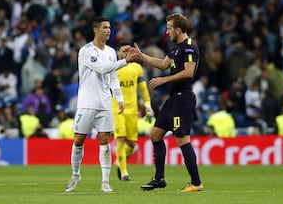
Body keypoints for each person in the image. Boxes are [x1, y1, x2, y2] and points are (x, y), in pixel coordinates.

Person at [65, 17, 140, 193]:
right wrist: (125, 61)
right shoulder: (85, 51)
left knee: (104, 140)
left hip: (105, 103)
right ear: (96, 30)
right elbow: (102, 69)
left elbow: (112, 76)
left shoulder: (111, 52)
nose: (108, 30)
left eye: (110, 27)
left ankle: (105, 181)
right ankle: (76, 174)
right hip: (87, 103)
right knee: (78, 140)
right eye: (105, 27)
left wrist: (119, 98)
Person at [135, 13, 203, 192]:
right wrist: (142, 57)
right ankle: (159, 178)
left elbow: (189, 72)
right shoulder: (175, 48)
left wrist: (164, 80)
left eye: (170, 29)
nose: (167, 32)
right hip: (173, 99)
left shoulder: (189, 47)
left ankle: (196, 183)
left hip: (183, 98)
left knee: (182, 139)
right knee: (156, 135)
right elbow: (163, 64)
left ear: (179, 30)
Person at [112, 41, 153, 181]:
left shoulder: (137, 68)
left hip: (132, 109)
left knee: (132, 144)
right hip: (116, 108)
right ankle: (124, 173)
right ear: (118, 53)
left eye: (129, 51)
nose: (126, 53)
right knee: (121, 139)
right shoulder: (113, 68)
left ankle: (119, 162)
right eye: (124, 51)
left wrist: (147, 105)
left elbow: (142, 88)